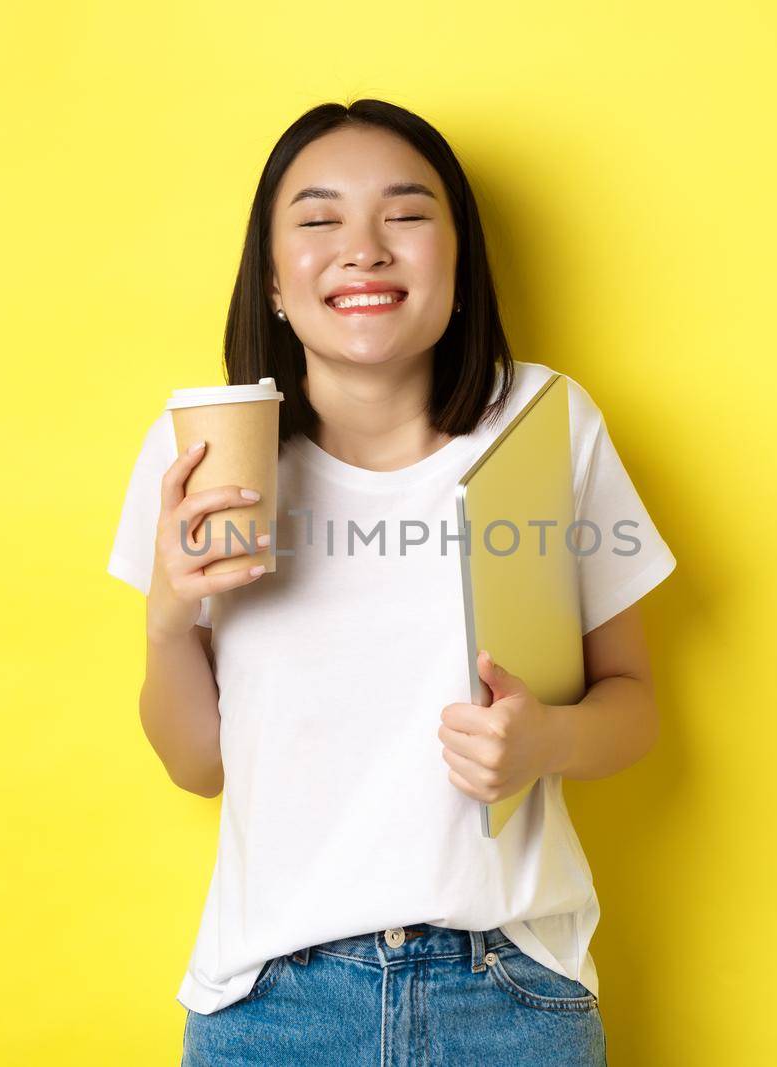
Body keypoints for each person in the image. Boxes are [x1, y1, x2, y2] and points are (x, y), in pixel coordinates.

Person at [107, 99, 677, 1066]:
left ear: (459, 263)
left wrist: (545, 737)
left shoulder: (544, 422)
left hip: (511, 996)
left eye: (406, 216)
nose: (363, 250)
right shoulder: (203, 455)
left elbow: (635, 706)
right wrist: (169, 625)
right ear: (275, 279)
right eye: (319, 220)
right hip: (270, 1007)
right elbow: (199, 767)